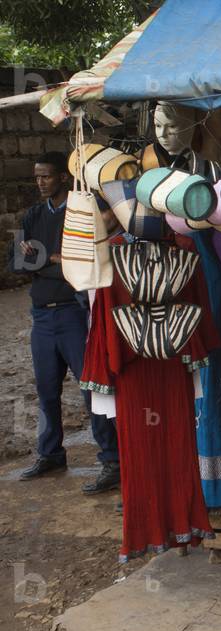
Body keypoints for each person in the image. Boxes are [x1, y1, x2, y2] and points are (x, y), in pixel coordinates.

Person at [10, 152, 119, 494]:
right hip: (41, 314)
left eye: (46, 176)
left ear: (63, 178)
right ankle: (51, 453)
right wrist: (55, 260)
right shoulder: (33, 214)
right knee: (46, 390)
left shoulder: (80, 214)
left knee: (91, 389)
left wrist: (41, 259)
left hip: (73, 312)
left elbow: (83, 268)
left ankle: (111, 460)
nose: (40, 182)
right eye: (36, 176)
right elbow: (16, 263)